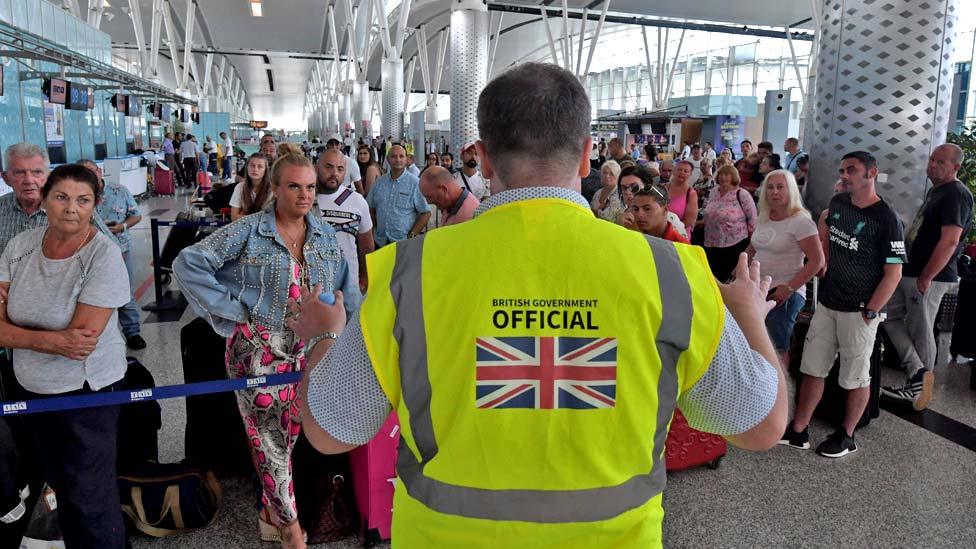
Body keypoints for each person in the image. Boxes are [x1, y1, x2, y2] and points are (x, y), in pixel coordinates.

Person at [294, 62, 786, 548]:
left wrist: (322, 336)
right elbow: (760, 426)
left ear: (483, 160)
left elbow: (330, 430)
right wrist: (748, 316)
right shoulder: (669, 272)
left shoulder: (411, 273)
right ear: (587, 155)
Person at [173, 154, 361, 549]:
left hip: (307, 355)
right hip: (257, 354)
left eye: (310, 187)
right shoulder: (247, 232)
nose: (305, 195)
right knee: (270, 443)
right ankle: (290, 528)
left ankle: (269, 511)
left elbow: (349, 292)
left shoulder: (325, 236)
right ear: (274, 188)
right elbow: (189, 263)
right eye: (294, 186)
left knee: (291, 438)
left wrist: (347, 340)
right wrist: (233, 312)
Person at [0, 164, 131, 548]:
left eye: (82, 200)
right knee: (53, 483)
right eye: (61, 197)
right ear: (44, 200)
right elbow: (64, 342)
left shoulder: (101, 256)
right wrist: (53, 342)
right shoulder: (20, 248)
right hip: (28, 386)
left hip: (86, 394)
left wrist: (16, 334)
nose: (71, 208)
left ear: (95, 205)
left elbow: (82, 342)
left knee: (89, 496)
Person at [781, 151, 905, 458]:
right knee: (812, 368)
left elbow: (894, 273)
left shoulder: (887, 219)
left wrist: (871, 311)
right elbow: (825, 244)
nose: (845, 175)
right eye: (843, 170)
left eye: (852, 170)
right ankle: (799, 429)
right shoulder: (837, 205)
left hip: (859, 311)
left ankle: (847, 435)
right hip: (828, 304)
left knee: (855, 376)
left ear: (871, 173)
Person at [881, 144, 975, 410]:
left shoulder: (956, 194)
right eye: (932, 159)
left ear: (956, 167)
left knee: (921, 329)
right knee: (889, 315)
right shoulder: (938, 191)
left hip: (929, 275)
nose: (932, 164)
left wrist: (927, 276)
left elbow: (950, 241)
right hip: (912, 271)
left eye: (941, 162)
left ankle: (918, 386)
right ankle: (918, 373)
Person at [748, 169, 824, 369]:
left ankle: (783, 396)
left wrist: (789, 289)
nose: (774, 192)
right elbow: (752, 249)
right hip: (757, 289)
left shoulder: (801, 221)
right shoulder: (763, 217)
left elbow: (817, 261)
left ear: (790, 190)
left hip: (784, 291)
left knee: (776, 347)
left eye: (780, 187)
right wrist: (734, 278)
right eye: (770, 187)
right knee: (754, 344)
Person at [0, 144, 115, 256]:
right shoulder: (2, 207)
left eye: (37, 172)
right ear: (6, 178)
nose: (29, 180)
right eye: (19, 173)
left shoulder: (74, 209)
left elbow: (112, 251)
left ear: (48, 175)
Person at [79, 159, 146, 350]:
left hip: (119, 248)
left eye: (91, 172)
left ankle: (132, 332)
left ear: (100, 172)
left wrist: (122, 226)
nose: (88, 177)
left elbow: (136, 215)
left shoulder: (119, 191)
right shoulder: (78, 196)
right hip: (85, 252)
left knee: (124, 291)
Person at [315, 148, 375, 293]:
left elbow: (366, 246)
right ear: (316, 167)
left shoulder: (357, 201)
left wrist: (364, 279)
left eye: (340, 169)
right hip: (312, 287)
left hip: (349, 287)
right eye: (329, 167)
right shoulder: (304, 198)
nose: (334, 173)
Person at [366, 144, 431, 247]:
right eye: (394, 156)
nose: (398, 159)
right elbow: (371, 207)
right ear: (387, 159)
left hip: (403, 242)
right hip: (380, 240)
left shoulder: (415, 183)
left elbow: (426, 212)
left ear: (406, 159)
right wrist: (373, 229)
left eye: (401, 156)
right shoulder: (379, 182)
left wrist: (412, 235)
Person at [701, 164, 758, 282]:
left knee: (728, 277)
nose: (723, 177)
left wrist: (752, 243)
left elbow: (752, 218)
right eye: (721, 174)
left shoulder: (742, 194)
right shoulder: (713, 192)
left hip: (734, 243)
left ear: (734, 176)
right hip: (711, 242)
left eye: (727, 174)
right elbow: (708, 210)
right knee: (712, 277)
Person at [230, 153, 273, 221]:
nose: (255, 169)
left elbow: (272, 219)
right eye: (252, 165)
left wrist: (243, 214)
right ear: (247, 167)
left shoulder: (273, 190)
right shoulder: (240, 187)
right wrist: (260, 217)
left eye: (260, 166)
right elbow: (234, 217)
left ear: (265, 170)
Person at [666, 160, 699, 231]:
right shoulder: (664, 188)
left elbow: (689, 221)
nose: (681, 172)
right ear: (674, 171)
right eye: (679, 170)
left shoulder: (691, 194)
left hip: (679, 233)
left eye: (686, 171)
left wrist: (669, 230)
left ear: (690, 174)